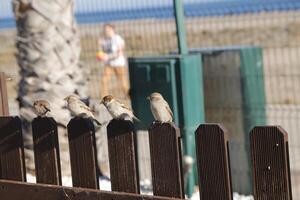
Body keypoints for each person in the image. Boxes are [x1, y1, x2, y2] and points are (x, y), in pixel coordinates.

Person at [98, 24, 129, 97]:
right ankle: (104, 98)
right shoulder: (104, 40)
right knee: (104, 81)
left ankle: (129, 97)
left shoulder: (117, 39)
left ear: (113, 30)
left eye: (108, 30)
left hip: (119, 64)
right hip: (109, 65)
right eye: (105, 30)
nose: (106, 31)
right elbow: (101, 54)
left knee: (123, 84)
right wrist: (99, 45)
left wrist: (108, 57)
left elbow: (119, 53)